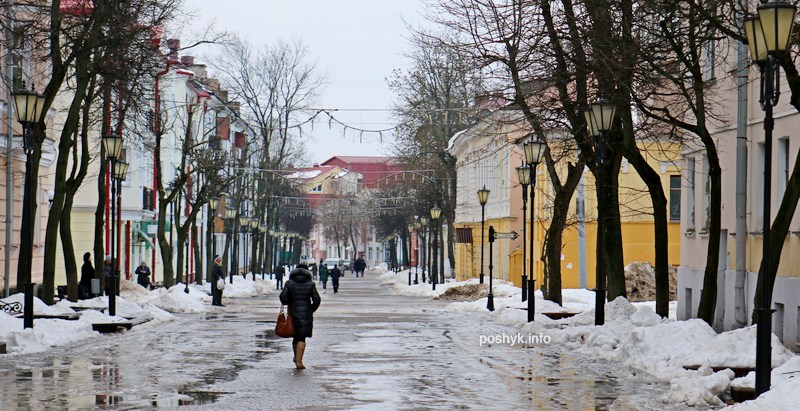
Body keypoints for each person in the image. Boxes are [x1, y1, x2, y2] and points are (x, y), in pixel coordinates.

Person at [279, 263, 321, 370]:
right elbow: (317, 299)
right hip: (306, 314)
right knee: (302, 337)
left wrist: (288, 300)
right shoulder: (310, 284)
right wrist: (311, 309)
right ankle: (299, 360)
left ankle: (296, 357)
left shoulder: (290, 283)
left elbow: (283, 298)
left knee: (295, 336)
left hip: (293, 313)